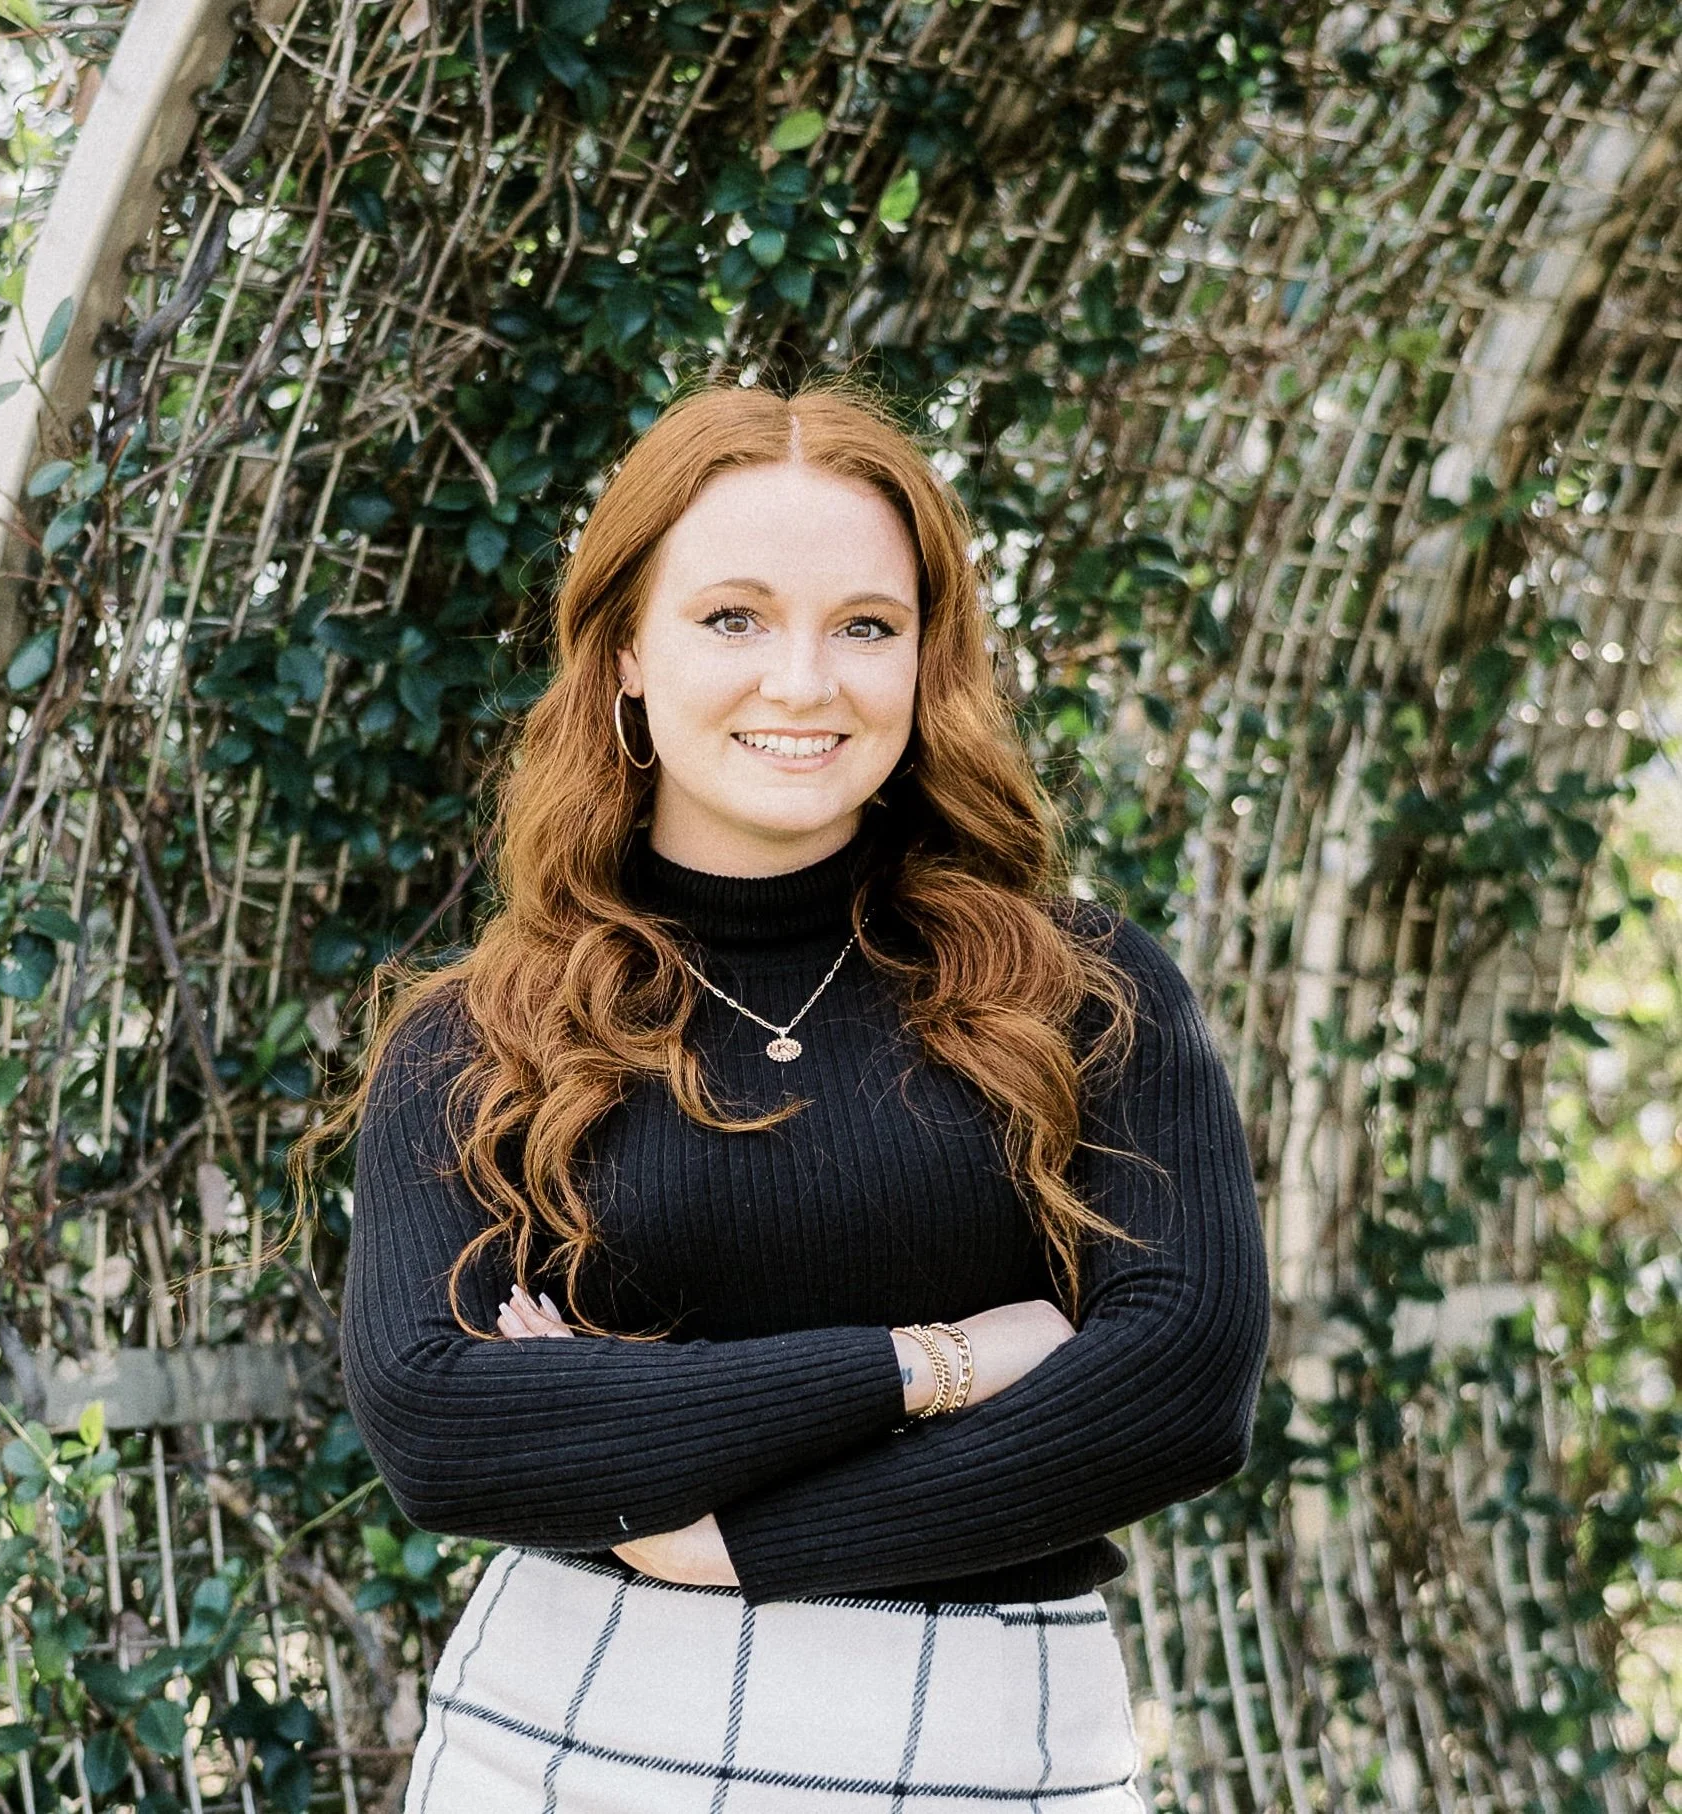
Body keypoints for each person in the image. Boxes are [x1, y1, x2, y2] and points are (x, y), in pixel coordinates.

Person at [298, 378, 1270, 1813]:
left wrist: (727, 1540)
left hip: (996, 1752)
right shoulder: (479, 1035)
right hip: (572, 1743)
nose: (803, 682)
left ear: (925, 658)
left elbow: (1178, 1388)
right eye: (733, 617)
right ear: (627, 648)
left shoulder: (1076, 988)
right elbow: (445, 1426)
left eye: (863, 626)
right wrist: (933, 1359)